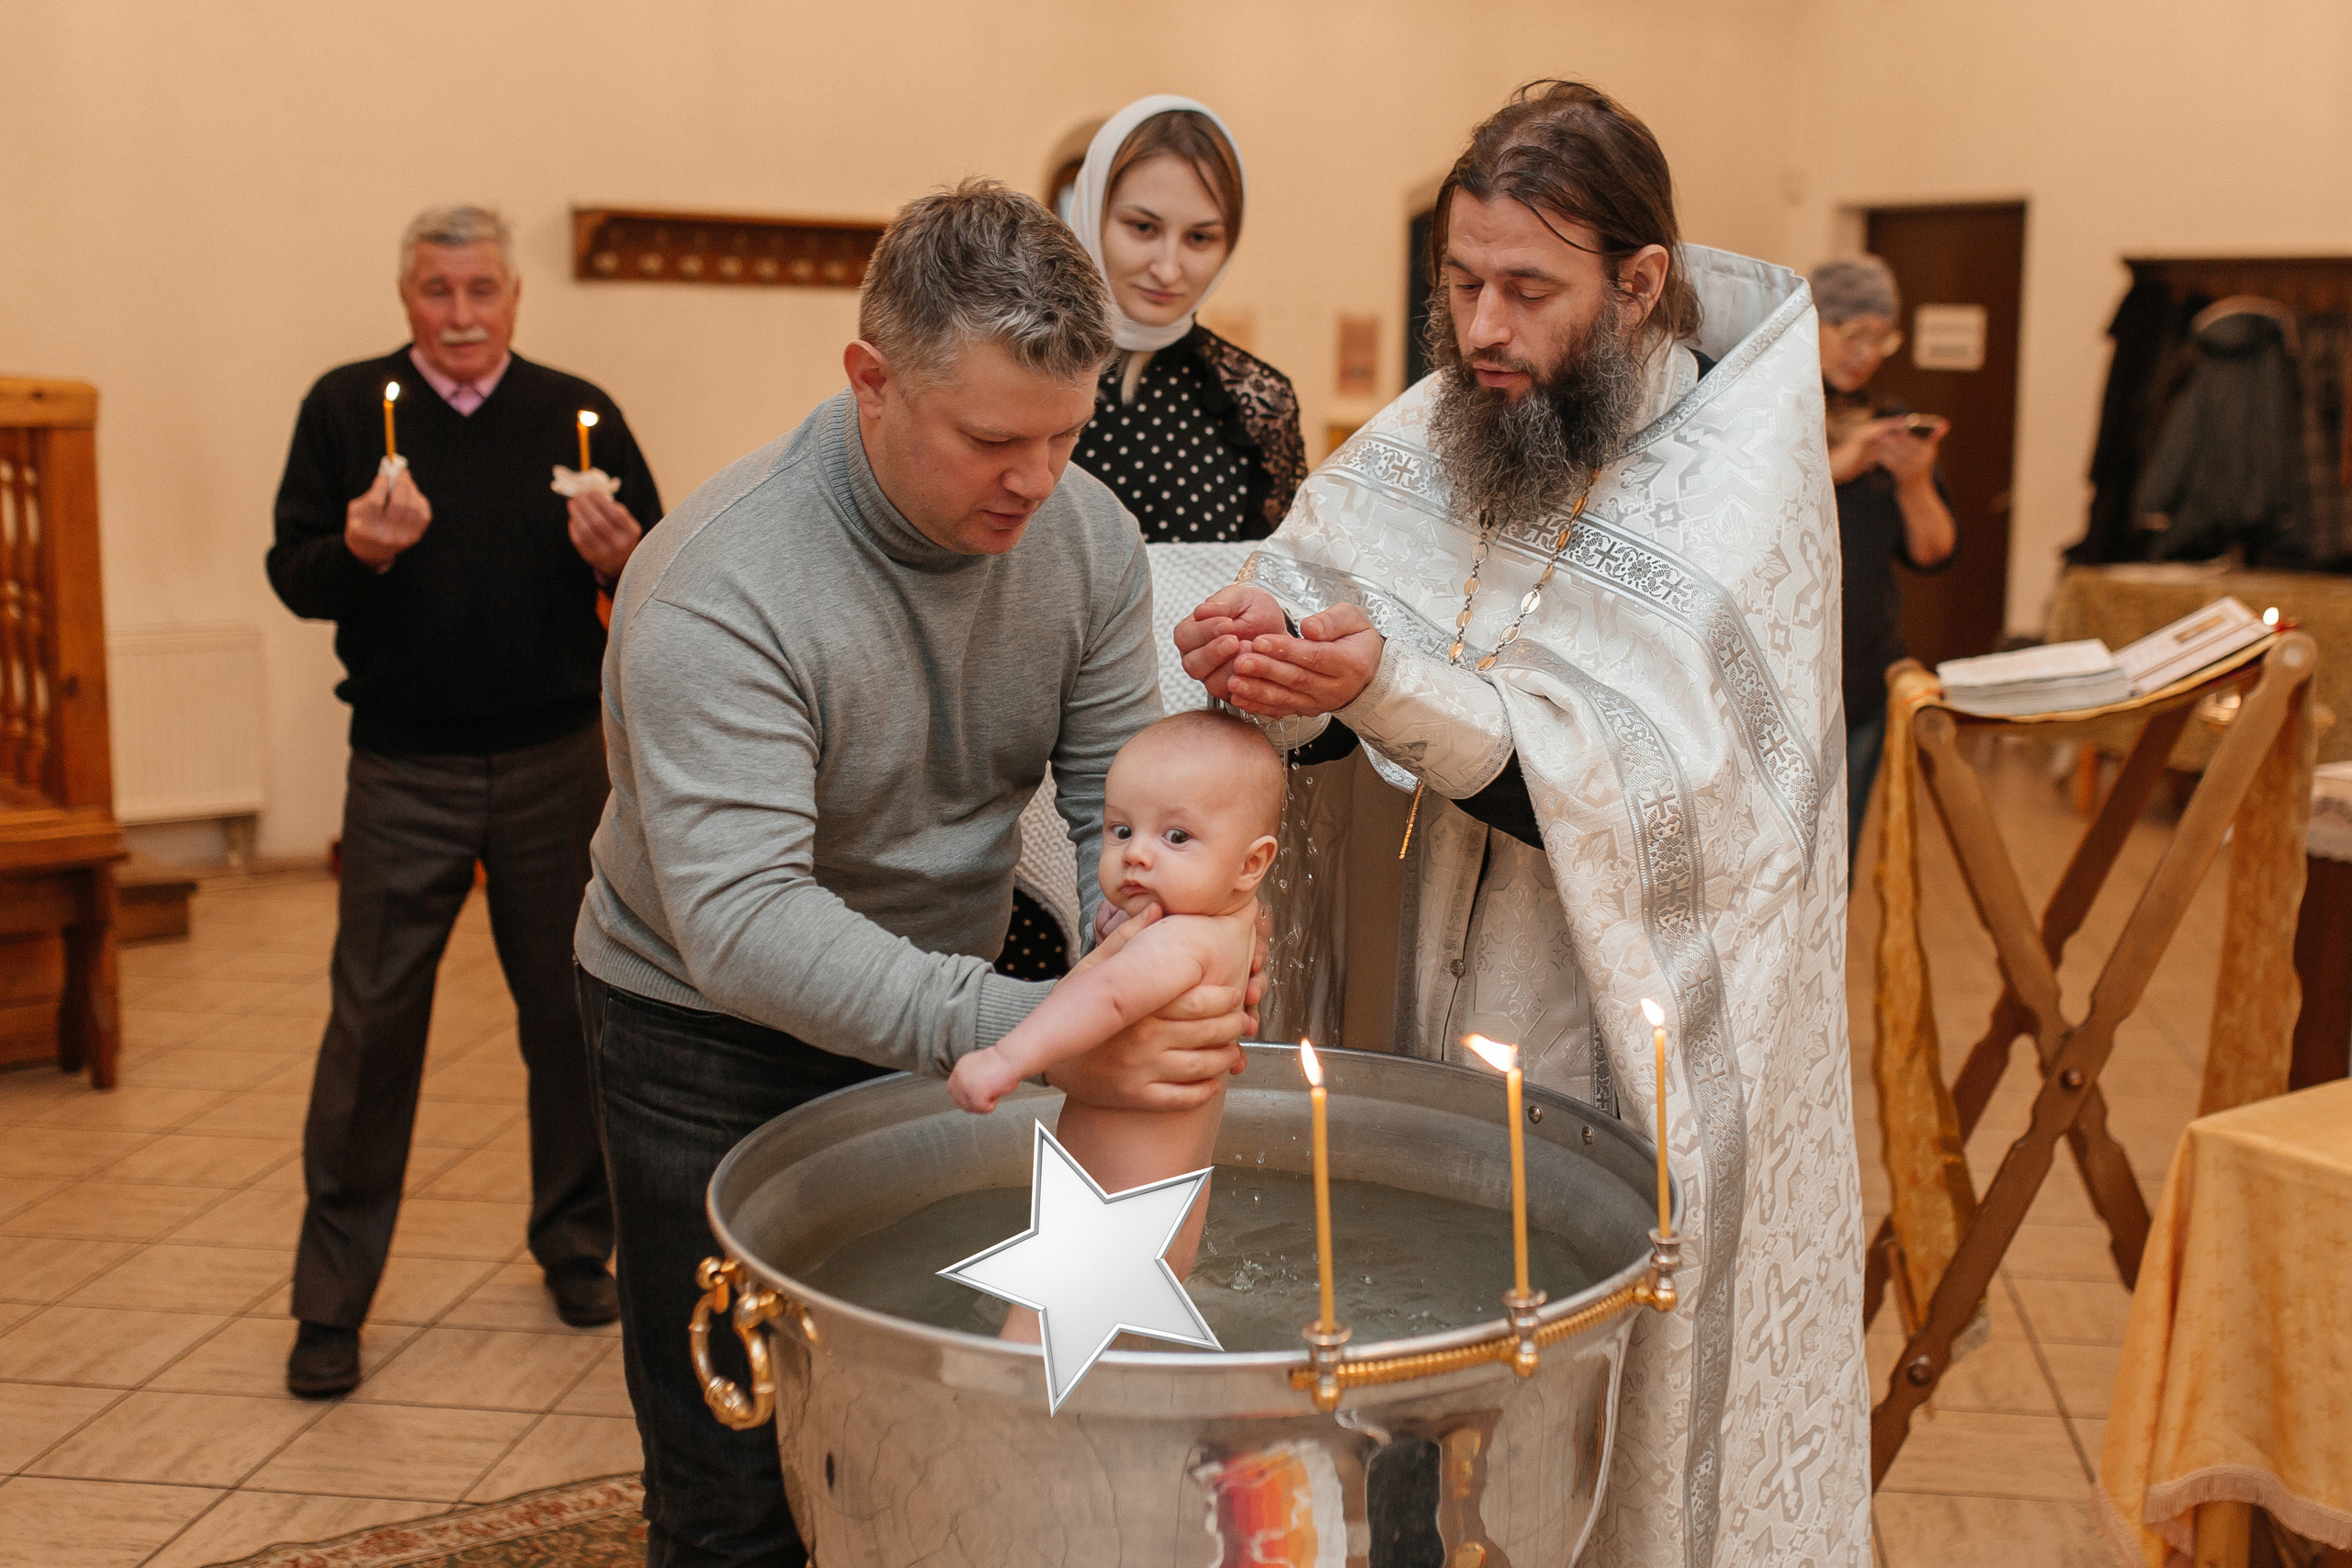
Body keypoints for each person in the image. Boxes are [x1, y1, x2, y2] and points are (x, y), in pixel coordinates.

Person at [1177, 82, 1870, 1566]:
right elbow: (1315, 589)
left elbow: (1680, 798)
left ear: (1637, 284)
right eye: (1460, 282)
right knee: (1419, 1374)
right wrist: (1266, 649)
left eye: (1527, 290)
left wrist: (1385, 681)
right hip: (1429, 983)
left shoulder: (1739, 479)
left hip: (1628, 1023)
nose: (1482, 328)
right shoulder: (1456, 419)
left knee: (1600, 1421)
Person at [575, 178, 1263, 1568]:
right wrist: (1022, 1028)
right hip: (703, 1033)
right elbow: (746, 922)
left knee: (939, 1416)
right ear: (871, 381)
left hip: (943, 1003)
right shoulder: (720, 584)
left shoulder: (1080, 533)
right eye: (993, 439)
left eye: (1066, 435)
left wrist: (1132, 980)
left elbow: (1107, 802)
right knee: (735, 1465)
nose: (1036, 478)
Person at [266, 203, 662, 1398]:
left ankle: (575, 1241)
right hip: (402, 769)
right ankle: (331, 1302)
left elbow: (660, 567)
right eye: (437, 293)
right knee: (372, 1031)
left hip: (553, 765)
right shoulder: (346, 407)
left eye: (482, 290)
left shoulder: (572, 408)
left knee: (571, 1016)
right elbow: (296, 574)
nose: (461, 317)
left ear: (515, 295)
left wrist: (618, 558)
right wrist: (363, 551)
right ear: (405, 298)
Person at [997, 95, 1309, 992]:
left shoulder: (1255, 400)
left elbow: (1278, 586)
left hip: (1181, 809)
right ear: (1083, 207)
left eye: (1203, 237)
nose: (1170, 265)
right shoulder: (1025, 373)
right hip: (1023, 774)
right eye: (1141, 226)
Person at [950, 709, 1283, 1331]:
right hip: (1160, 1221)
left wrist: (1007, 1056)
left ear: (1249, 862)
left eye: (1176, 837)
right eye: (1121, 829)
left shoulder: (1178, 941)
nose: (1137, 856)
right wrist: (1117, 929)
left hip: (1101, 1233)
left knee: (1021, 1371)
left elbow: (1104, 995)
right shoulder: (1237, 920)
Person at [1813, 254, 1956, 862]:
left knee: (1835, 867)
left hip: (1863, 684)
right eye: (1852, 335)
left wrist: (1914, 482)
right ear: (1811, 324)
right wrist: (1838, 465)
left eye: (1880, 338)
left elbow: (1933, 552)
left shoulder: (1888, 420)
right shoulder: (1770, 413)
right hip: (1781, 687)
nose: (1865, 352)